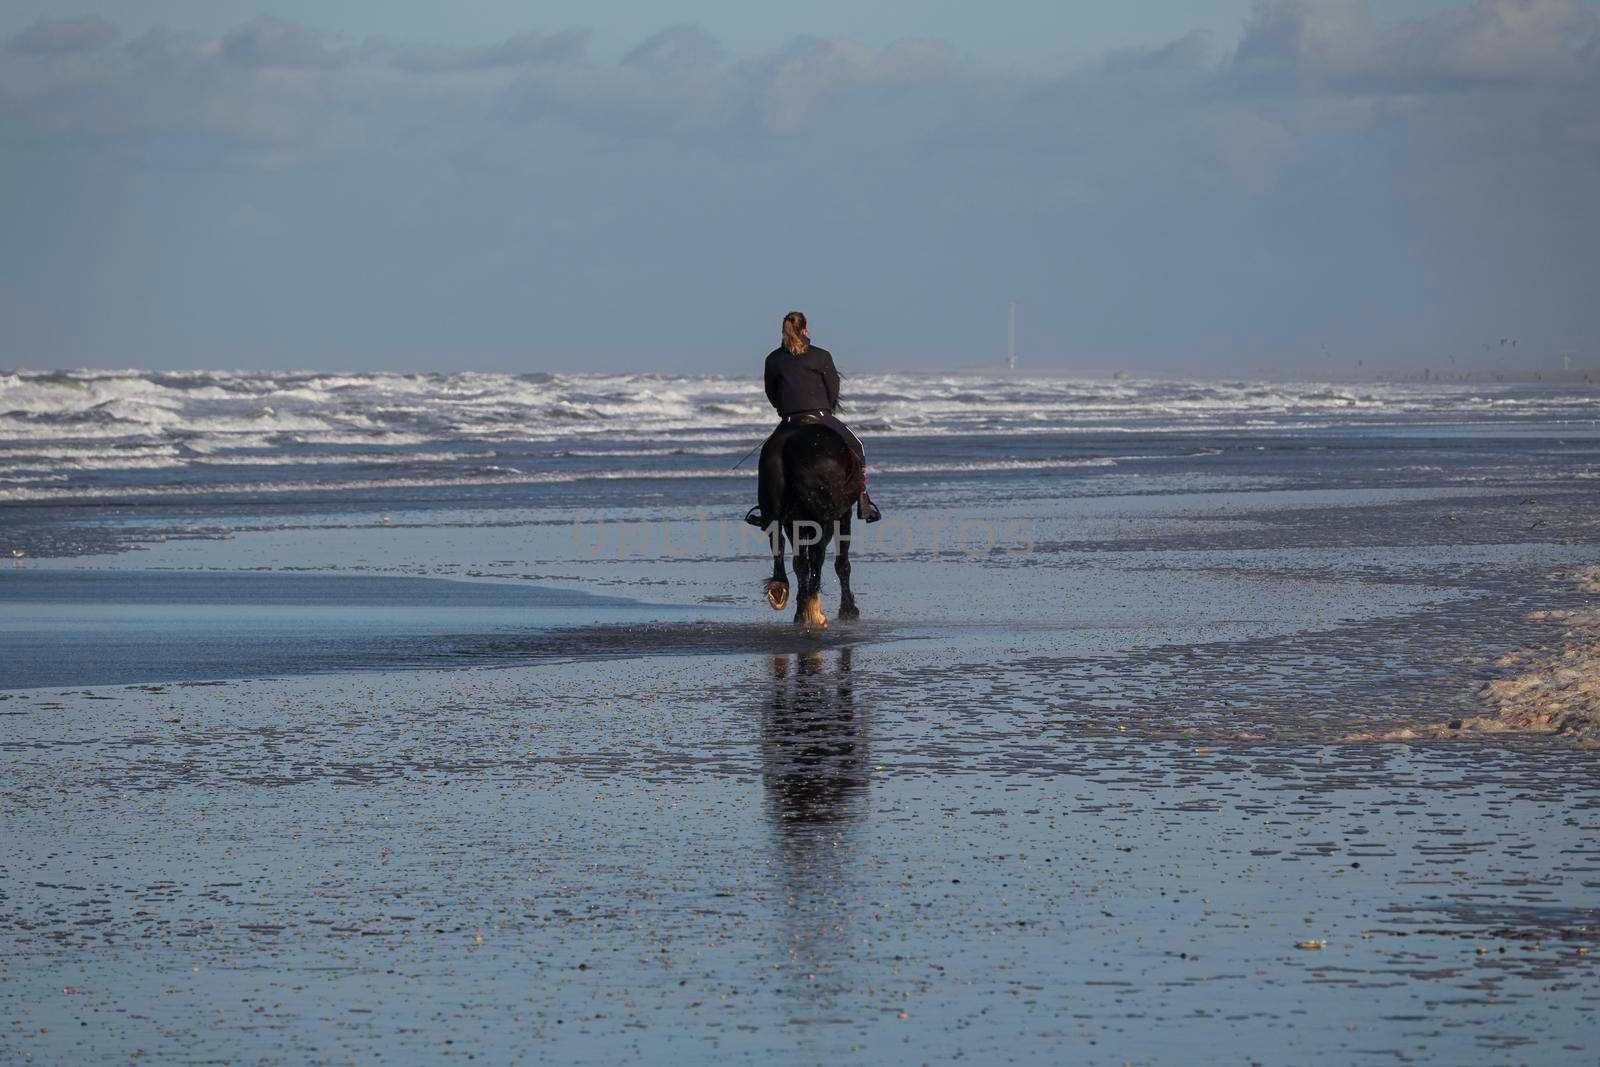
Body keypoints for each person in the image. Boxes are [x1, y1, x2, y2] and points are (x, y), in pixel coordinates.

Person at [745, 310, 881, 527]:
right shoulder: (822, 355)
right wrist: (823, 409)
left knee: (766, 457)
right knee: (858, 445)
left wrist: (784, 410)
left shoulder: (772, 359)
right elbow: (833, 390)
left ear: (783, 331)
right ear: (805, 329)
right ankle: (864, 500)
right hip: (819, 415)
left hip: (789, 420)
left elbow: (770, 392)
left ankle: (766, 509)